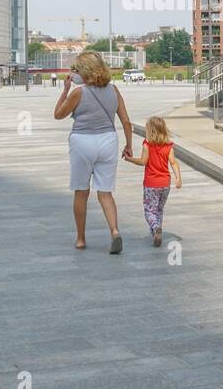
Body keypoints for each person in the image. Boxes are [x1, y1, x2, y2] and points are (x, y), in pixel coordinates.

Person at [53, 51, 133, 253]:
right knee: (105, 192)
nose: (75, 73)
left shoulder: (79, 92)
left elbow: (58, 115)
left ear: (85, 71)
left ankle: (80, 238)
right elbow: (126, 121)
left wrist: (65, 90)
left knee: (81, 192)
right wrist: (129, 145)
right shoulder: (114, 90)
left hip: (82, 142)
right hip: (108, 141)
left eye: (77, 69)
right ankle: (114, 231)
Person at [124, 116, 181, 247]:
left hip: (151, 184)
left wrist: (130, 159)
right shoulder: (169, 145)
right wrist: (178, 178)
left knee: (149, 210)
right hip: (165, 184)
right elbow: (173, 162)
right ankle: (157, 232)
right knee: (159, 209)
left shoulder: (147, 144)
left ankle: (155, 228)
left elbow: (143, 161)